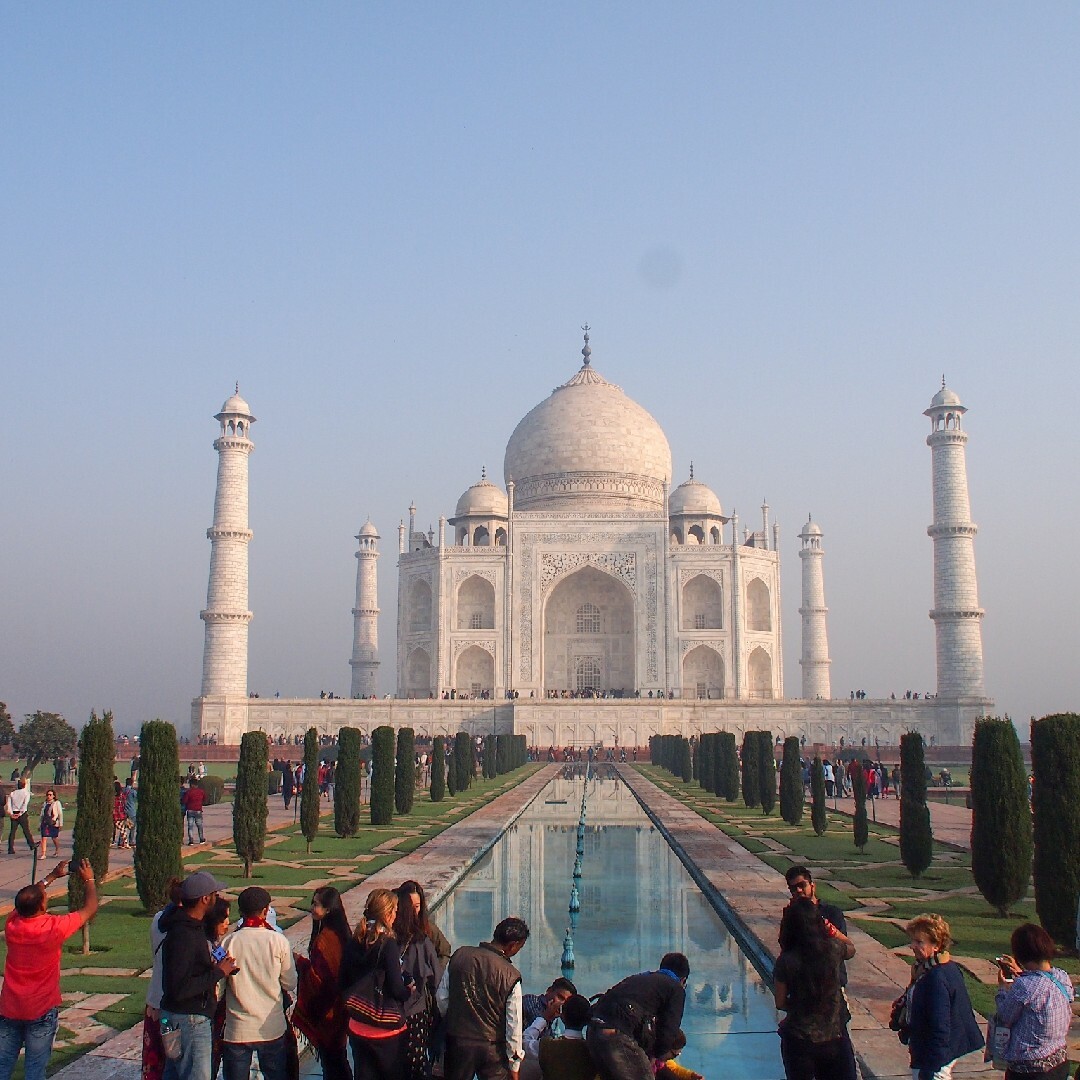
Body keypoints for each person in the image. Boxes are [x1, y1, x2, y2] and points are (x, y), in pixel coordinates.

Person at [0, 860, 98, 1080]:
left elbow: (28, 899)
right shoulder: (52, 928)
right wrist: (89, 880)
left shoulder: (12, 924)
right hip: (41, 1010)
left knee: (3, 1065)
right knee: (35, 1070)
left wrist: (51, 877)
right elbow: (90, 909)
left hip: (10, 1008)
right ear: (42, 907)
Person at [160, 871, 238, 1080]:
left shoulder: (190, 927)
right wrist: (218, 972)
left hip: (177, 1016)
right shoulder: (184, 935)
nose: (216, 898)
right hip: (189, 1018)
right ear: (205, 899)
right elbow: (180, 988)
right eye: (214, 894)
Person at [436, 916, 530, 1080]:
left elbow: (441, 999)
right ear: (512, 945)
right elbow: (513, 1025)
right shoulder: (511, 976)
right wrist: (514, 1065)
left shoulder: (460, 956)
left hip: (458, 1042)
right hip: (491, 1048)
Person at [773, 897, 857, 1079]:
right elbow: (851, 948)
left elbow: (780, 1002)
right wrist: (832, 930)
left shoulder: (786, 960)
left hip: (800, 1039)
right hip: (833, 1037)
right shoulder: (833, 949)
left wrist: (800, 1002)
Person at [219, 887, 297, 1080]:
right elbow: (289, 983)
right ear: (265, 910)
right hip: (270, 1027)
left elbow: (218, 988)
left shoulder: (228, 942)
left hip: (237, 1028)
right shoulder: (278, 941)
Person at [340, 888, 414, 1080]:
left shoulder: (354, 940)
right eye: (395, 910)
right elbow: (397, 989)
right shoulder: (387, 944)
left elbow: (343, 981)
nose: (397, 914)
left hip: (358, 1024)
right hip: (385, 1029)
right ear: (387, 914)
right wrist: (409, 991)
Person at [903, 914, 983, 1080]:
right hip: (932, 1053)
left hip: (933, 1059)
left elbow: (940, 1025)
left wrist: (931, 1067)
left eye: (919, 942)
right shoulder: (939, 968)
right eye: (913, 941)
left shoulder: (935, 977)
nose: (912, 946)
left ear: (936, 945)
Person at [585, 952, 689, 1080]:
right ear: (683, 980)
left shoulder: (640, 978)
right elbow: (669, 1029)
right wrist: (656, 1056)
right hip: (617, 1035)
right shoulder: (675, 988)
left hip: (593, 1031)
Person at [994, 923, 1074, 1079]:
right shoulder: (1061, 976)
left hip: (1029, 1068)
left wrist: (1003, 989)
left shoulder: (1024, 985)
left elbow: (1004, 1016)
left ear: (1021, 953)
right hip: (1058, 1061)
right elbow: (1042, 983)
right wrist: (1023, 972)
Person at [293, 887, 351, 1080]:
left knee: (333, 1063)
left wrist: (300, 963)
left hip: (330, 1010)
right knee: (338, 1060)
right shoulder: (340, 933)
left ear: (328, 909)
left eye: (316, 904)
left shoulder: (325, 940)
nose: (312, 908)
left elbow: (321, 979)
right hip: (341, 1008)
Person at [394, 884, 441, 1080]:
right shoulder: (411, 939)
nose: (416, 911)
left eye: (418, 906)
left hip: (406, 1010)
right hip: (409, 1012)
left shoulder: (424, 934)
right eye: (411, 907)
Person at [143, 877, 184, 1080]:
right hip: (177, 1005)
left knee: (159, 1057)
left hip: (156, 999)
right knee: (177, 1059)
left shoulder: (158, 919)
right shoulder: (189, 926)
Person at [782, 866, 850, 984]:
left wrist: (828, 929)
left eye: (802, 885)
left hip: (832, 982)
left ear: (812, 885)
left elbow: (845, 950)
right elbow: (785, 946)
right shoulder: (791, 915)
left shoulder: (832, 913)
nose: (798, 890)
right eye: (793, 888)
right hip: (803, 983)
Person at [537, 995, 595, 1080]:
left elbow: (524, 1042)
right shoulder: (593, 1051)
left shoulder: (546, 1046)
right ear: (587, 1020)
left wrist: (545, 1017)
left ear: (562, 1017)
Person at [6, 777, 34, 855]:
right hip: (22, 813)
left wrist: (11, 813)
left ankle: (10, 848)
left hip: (14, 812)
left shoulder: (13, 793)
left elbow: (9, 804)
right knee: (26, 830)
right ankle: (31, 845)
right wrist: (20, 813)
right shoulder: (26, 793)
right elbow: (24, 804)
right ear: (24, 785)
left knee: (12, 831)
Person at [38, 789, 63, 858]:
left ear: (54, 796)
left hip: (53, 822)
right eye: (47, 795)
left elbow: (60, 814)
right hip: (45, 822)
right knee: (44, 837)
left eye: (50, 795)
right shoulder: (45, 803)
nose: (48, 796)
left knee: (54, 837)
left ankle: (57, 850)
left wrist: (61, 824)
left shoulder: (56, 803)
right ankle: (43, 854)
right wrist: (39, 824)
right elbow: (42, 814)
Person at [183, 779, 206, 845]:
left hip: (190, 810)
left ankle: (191, 840)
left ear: (191, 784)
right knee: (199, 825)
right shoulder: (201, 791)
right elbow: (204, 799)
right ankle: (201, 839)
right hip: (198, 810)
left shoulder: (188, 792)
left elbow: (185, 801)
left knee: (190, 826)